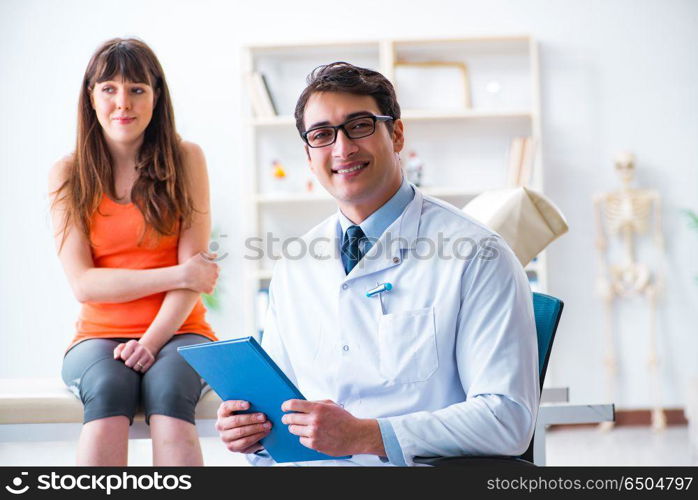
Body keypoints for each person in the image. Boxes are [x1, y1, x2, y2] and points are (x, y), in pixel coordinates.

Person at [215, 62, 539, 466]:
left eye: (360, 125)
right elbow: (281, 403)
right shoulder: (294, 266)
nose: (342, 148)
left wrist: (368, 435)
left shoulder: (477, 254)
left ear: (396, 133)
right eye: (322, 135)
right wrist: (252, 430)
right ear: (308, 154)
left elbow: (507, 418)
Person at [49, 38, 219, 466]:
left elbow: (195, 278)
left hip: (180, 329)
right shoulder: (67, 174)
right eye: (108, 88)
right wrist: (178, 274)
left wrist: (150, 341)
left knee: (168, 391)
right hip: (97, 336)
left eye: (137, 89)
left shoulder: (186, 159)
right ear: (90, 96)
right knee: (108, 388)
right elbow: (84, 284)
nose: (122, 102)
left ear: (156, 96)